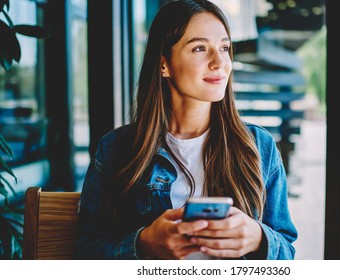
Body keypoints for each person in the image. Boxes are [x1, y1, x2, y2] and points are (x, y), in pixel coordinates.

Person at [74, 0, 297, 260]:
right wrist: (142, 244)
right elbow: (85, 253)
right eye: (200, 48)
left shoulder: (259, 146)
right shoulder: (116, 149)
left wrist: (258, 238)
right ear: (163, 65)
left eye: (224, 48)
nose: (219, 62)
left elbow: (287, 253)